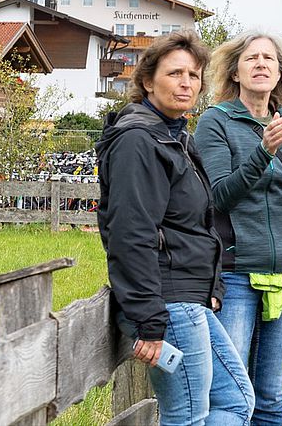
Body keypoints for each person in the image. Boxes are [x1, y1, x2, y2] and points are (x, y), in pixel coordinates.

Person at [96, 31, 255, 425]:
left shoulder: (176, 135)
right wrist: (150, 321)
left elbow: (199, 222)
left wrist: (211, 287)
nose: (186, 83)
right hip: (166, 302)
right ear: (148, 81)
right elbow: (131, 232)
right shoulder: (138, 139)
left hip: (189, 297)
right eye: (175, 73)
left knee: (235, 401)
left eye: (194, 75)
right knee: (187, 416)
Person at [194, 32, 282, 425]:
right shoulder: (216, 122)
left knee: (272, 396)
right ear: (235, 71)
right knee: (231, 395)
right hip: (236, 273)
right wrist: (263, 153)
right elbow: (218, 196)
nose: (261, 64)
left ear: (279, 73)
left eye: (269, 59)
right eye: (251, 58)